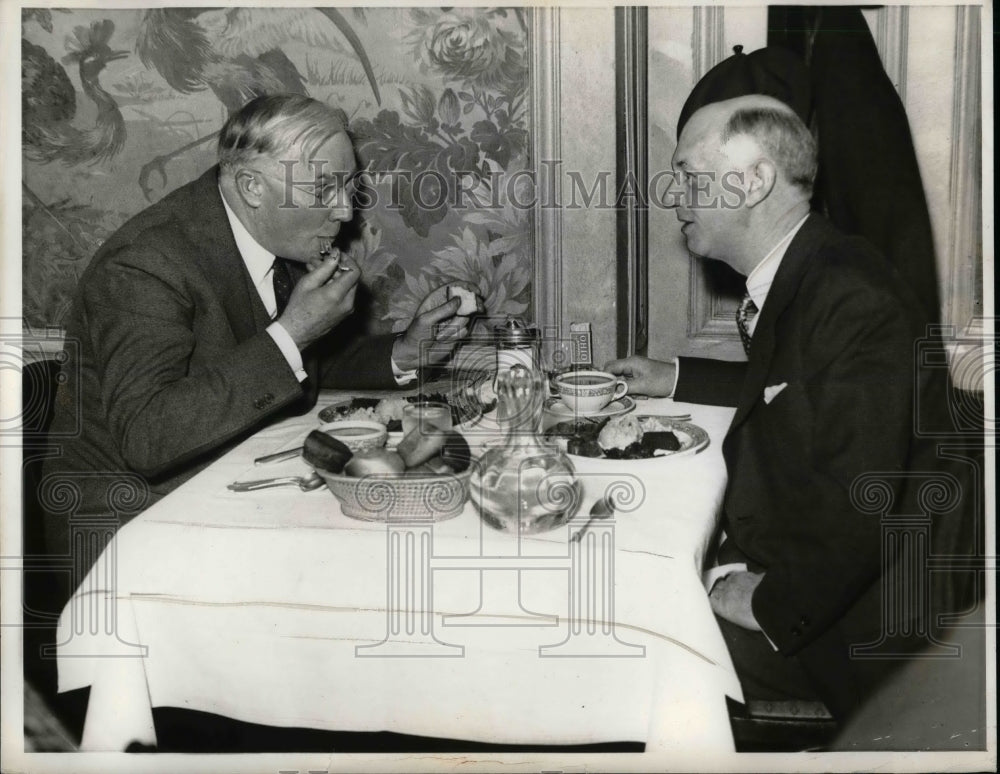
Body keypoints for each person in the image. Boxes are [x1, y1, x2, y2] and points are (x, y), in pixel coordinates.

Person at [606, 94, 969, 719]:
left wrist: (769, 605)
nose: (673, 196)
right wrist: (673, 376)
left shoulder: (853, 298)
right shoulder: (813, 269)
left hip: (863, 627)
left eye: (689, 175)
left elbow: (869, 500)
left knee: (622, 639)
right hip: (830, 573)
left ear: (752, 182)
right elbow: (794, 383)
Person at [42, 94, 469, 562]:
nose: (345, 212)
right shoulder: (145, 265)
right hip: (131, 529)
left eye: (348, 187)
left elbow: (287, 364)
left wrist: (403, 353)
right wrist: (294, 332)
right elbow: (147, 436)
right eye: (324, 189)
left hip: (223, 479)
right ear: (252, 187)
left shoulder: (265, 231)